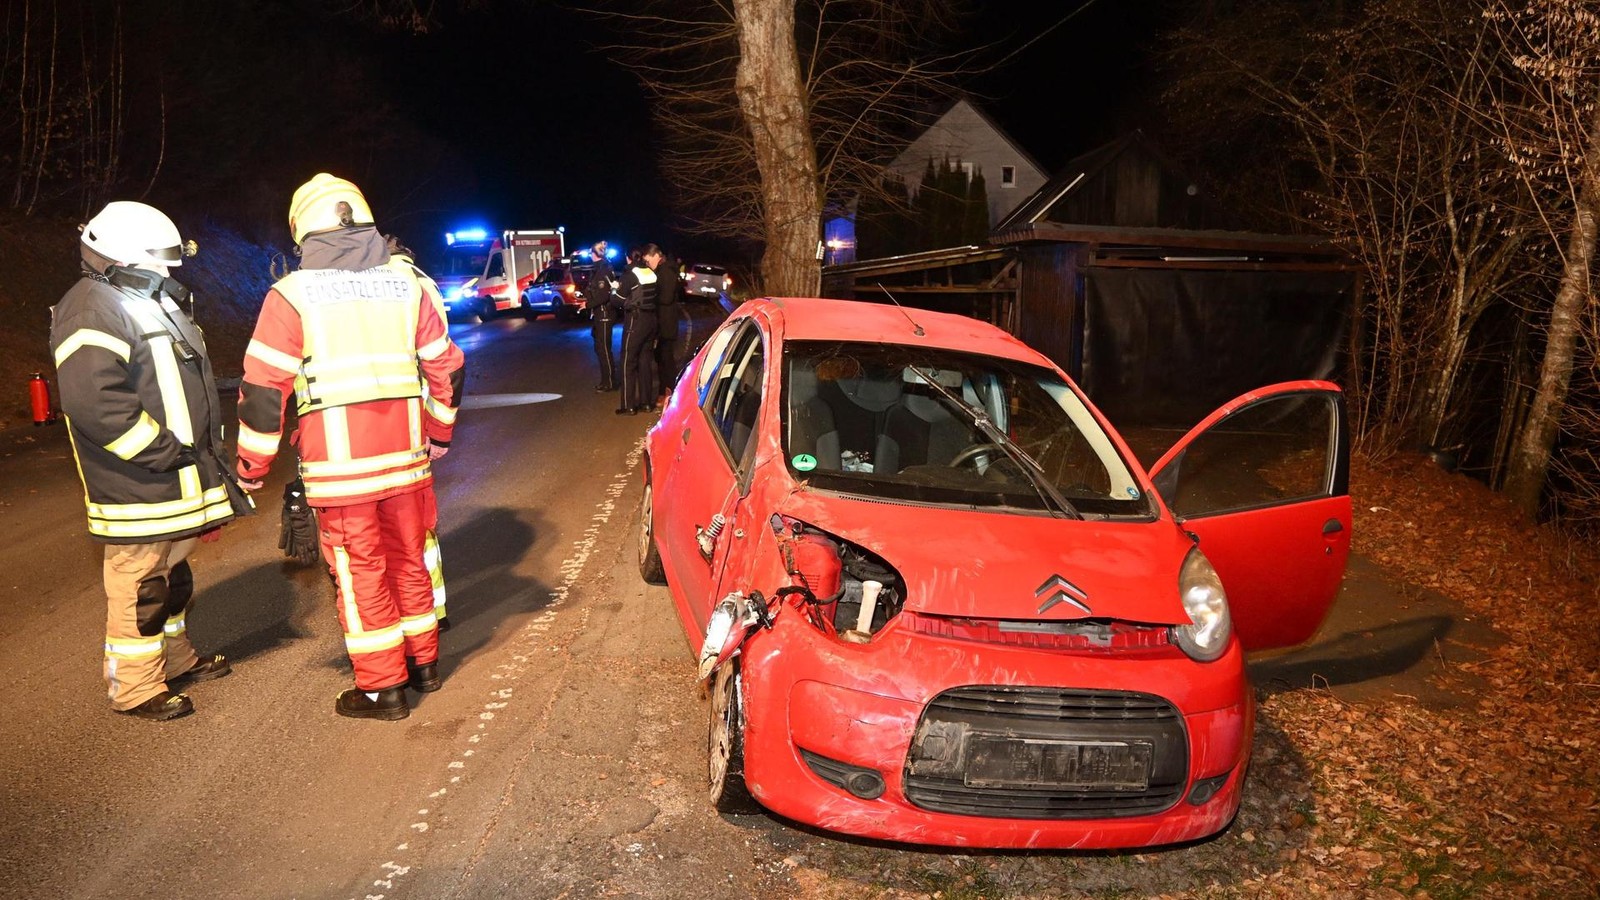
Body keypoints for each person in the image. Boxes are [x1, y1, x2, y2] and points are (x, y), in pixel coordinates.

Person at [235, 174, 465, 721]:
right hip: (407, 460)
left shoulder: (291, 295)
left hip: (342, 470)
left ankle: (382, 689)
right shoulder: (407, 286)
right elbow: (445, 369)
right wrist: (438, 434)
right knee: (410, 558)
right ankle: (424, 666)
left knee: (362, 574)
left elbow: (265, 393)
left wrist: (251, 468)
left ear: (302, 232)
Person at [50, 201, 245, 721]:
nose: (165, 270)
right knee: (140, 585)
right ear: (116, 257)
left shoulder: (141, 297)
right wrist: (161, 453)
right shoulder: (91, 307)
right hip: (139, 481)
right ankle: (135, 689)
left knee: (171, 577)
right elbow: (96, 402)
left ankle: (175, 661)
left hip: (173, 476)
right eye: (156, 261)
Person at [615, 243, 666, 415]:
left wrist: (615, 292)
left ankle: (628, 405)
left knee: (627, 362)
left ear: (629, 257)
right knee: (645, 361)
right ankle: (646, 403)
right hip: (651, 320)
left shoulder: (630, 275)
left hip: (635, 321)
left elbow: (617, 300)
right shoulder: (651, 273)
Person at [584, 240, 619, 392]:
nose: (590, 256)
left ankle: (610, 382)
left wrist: (587, 304)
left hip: (604, 313)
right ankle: (605, 380)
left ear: (595, 254)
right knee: (600, 348)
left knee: (604, 349)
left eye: (591, 253)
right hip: (599, 313)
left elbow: (604, 295)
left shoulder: (604, 269)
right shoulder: (600, 268)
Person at [652, 248, 681, 406]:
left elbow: (667, 296)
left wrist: (653, 297)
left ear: (657, 256)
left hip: (666, 323)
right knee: (662, 359)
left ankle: (668, 392)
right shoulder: (665, 270)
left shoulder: (666, 272)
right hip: (664, 322)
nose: (649, 264)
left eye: (649, 259)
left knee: (666, 360)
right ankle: (666, 391)